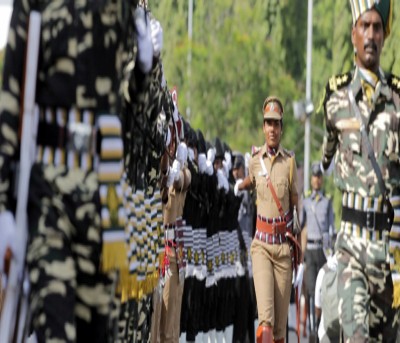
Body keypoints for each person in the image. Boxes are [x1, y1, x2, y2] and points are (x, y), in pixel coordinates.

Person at [0, 1, 163, 341]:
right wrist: (3, 204)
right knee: (55, 324)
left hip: (106, 197)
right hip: (50, 190)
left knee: (100, 332)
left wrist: (147, 70)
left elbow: (138, 124)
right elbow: (12, 95)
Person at [320, 0, 400, 340]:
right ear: (353, 34)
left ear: (385, 35)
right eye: (364, 26)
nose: (370, 35)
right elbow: (327, 153)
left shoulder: (397, 100)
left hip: (391, 256)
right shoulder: (336, 98)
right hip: (352, 250)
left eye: (377, 27)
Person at [236, 96, 299, 342]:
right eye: (268, 123)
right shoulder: (254, 160)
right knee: (266, 322)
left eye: (276, 123)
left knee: (281, 330)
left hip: (283, 249)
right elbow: (249, 182)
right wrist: (237, 185)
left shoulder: (290, 162)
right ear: (263, 127)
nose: (272, 129)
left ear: (281, 128)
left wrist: (298, 251)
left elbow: (296, 207)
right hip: (261, 246)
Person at [300, 161, 334, 341]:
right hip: (310, 251)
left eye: (319, 177)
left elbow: (330, 227)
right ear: (311, 179)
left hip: (323, 251)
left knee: (323, 290)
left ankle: (322, 324)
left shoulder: (328, 201)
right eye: (314, 177)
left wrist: (331, 253)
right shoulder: (305, 201)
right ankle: (313, 327)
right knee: (312, 290)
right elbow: (300, 226)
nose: (317, 180)